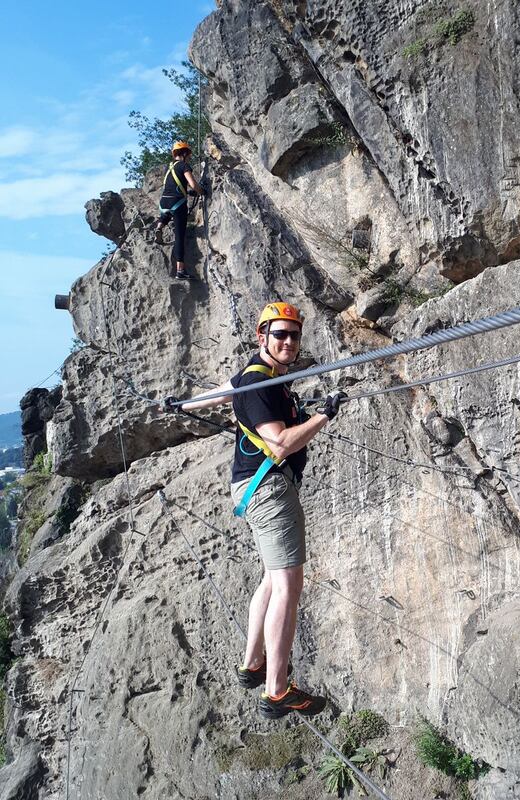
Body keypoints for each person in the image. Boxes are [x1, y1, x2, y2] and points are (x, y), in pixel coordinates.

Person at [168, 302, 346, 719]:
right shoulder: (262, 384)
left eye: (293, 335)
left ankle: (253, 665)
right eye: (279, 334)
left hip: (253, 488)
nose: (288, 342)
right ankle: (277, 690)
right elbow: (282, 443)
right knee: (288, 585)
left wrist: (182, 405)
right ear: (261, 336)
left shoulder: (261, 377)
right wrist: (324, 414)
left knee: (270, 579)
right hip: (268, 489)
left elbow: (224, 392)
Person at [155, 140, 205, 281]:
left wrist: (189, 193)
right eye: (188, 154)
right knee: (179, 237)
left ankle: (160, 226)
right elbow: (193, 184)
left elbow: (175, 185)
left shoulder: (169, 168)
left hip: (164, 201)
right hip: (177, 203)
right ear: (184, 153)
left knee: (167, 213)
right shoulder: (184, 165)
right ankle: (180, 270)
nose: (189, 157)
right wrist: (202, 191)